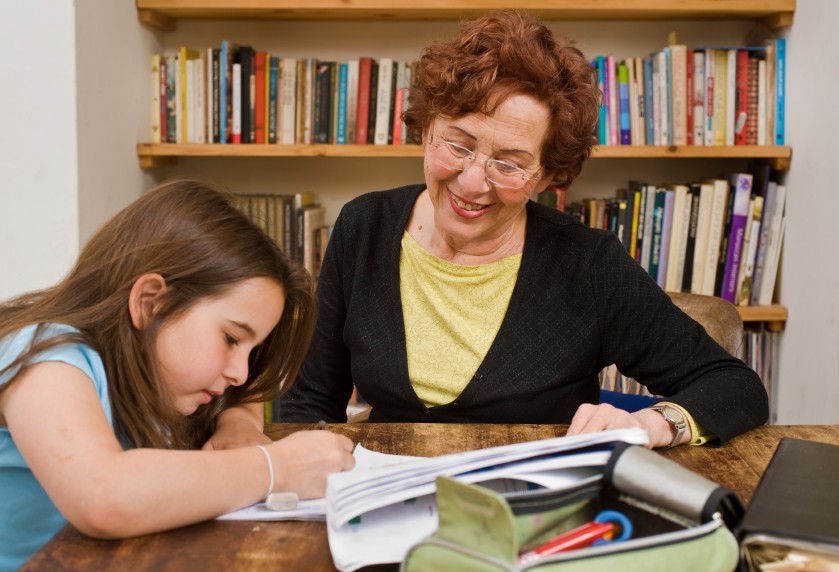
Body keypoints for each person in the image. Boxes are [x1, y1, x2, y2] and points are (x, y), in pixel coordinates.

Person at [279, 10, 769, 447]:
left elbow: (735, 385)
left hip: (535, 515)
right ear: (427, 128)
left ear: (548, 175)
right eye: (458, 144)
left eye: (509, 164)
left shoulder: (587, 263)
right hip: (380, 502)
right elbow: (312, 400)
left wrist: (656, 423)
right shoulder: (363, 226)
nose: (473, 182)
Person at [0, 179, 355, 570]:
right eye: (231, 338)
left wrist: (236, 423)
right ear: (151, 302)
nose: (239, 373)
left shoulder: (162, 376)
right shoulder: (44, 356)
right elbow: (103, 496)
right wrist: (277, 467)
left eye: (252, 352)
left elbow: (243, 395)